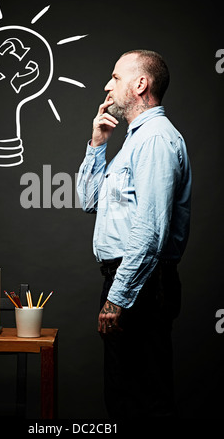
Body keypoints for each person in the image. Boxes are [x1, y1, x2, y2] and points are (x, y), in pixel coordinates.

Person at [77, 50, 192, 418]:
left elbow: (150, 231)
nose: (107, 86)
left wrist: (118, 299)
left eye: (115, 77)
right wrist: (98, 142)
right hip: (127, 279)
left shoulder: (155, 140)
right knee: (124, 395)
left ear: (140, 84)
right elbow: (87, 200)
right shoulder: (134, 140)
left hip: (139, 281)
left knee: (141, 399)